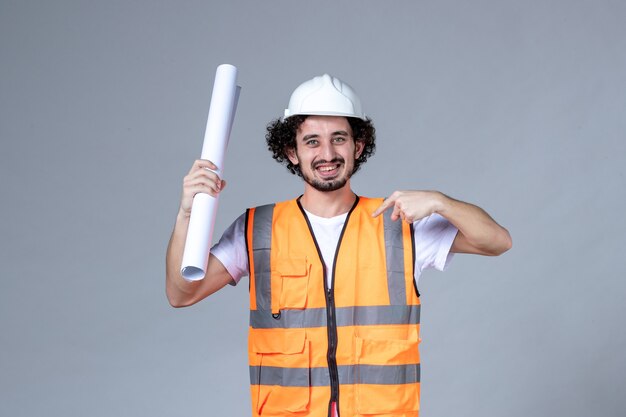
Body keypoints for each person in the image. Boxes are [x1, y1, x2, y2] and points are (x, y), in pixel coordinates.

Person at [166, 74, 512, 417]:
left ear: (357, 146)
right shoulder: (258, 230)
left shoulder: (399, 223)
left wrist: (440, 202)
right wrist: (186, 214)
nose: (327, 153)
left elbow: (497, 241)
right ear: (292, 151)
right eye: (312, 141)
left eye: (339, 139)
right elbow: (182, 294)